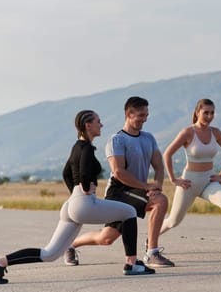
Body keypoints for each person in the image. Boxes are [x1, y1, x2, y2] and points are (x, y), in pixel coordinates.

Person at [0, 110, 154, 284]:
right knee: (129, 211)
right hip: (83, 203)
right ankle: (132, 264)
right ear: (88, 125)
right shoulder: (87, 148)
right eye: (98, 121)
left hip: (72, 204)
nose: (101, 124)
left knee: (50, 254)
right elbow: (83, 172)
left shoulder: (76, 146)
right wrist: (87, 187)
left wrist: (76, 193)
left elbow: (66, 173)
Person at [64, 97, 174, 268]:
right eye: (140, 115)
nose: (145, 119)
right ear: (129, 114)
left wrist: (157, 185)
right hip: (119, 191)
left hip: (138, 190)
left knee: (106, 238)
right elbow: (119, 172)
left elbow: (159, 166)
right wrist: (147, 187)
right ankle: (152, 253)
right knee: (160, 201)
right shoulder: (117, 140)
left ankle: (70, 245)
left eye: (146, 115)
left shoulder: (149, 138)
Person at [160, 98, 221, 257]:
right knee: (174, 221)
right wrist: (174, 179)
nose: (210, 116)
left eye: (212, 113)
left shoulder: (215, 133)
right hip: (188, 183)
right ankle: (152, 238)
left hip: (209, 181)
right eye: (206, 113)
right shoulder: (187, 132)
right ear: (197, 113)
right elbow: (167, 154)